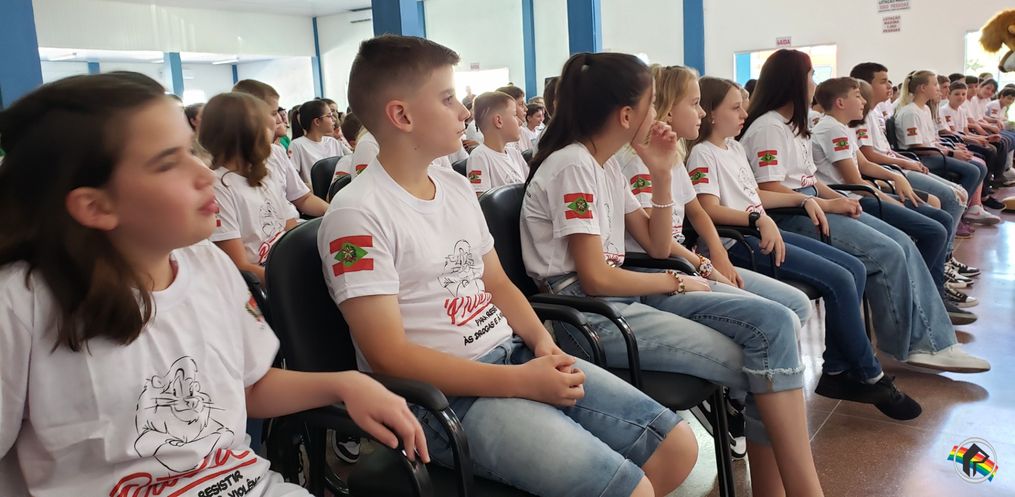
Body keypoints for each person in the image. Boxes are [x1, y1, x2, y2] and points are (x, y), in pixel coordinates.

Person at [0, 73, 428, 497]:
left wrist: (344, 384)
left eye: (192, 150)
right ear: (96, 206)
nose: (204, 173)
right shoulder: (20, 304)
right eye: (168, 162)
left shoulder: (207, 264)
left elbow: (251, 387)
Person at [324, 35, 698, 497]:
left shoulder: (453, 186)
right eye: (448, 99)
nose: (464, 112)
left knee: (677, 447)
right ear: (401, 116)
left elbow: (497, 284)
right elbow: (389, 356)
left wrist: (543, 345)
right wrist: (518, 382)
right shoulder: (356, 215)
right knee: (632, 489)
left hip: (511, 354)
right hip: (439, 401)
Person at [521, 52, 824, 496]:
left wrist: (662, 174)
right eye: (651, 105)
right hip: (588, 316)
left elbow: (658, 246)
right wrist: (674, 280)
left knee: (775, 327)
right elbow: (595, 279)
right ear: (626, 116)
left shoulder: (603, 164)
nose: (658, 115)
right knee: (767, 355)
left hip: (620, 296)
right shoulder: (573, 166)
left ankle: (790, 489)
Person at [688, 75, 921, 420]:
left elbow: (755, 194)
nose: (744, 115)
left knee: (854, 268)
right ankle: (868, 374)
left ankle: (838, 368)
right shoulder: (702, 154)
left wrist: (803, 200)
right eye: (735, 108)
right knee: (839, 279)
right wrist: (757, 219)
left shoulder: (732, 147)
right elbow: (708, 209)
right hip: (737, 242)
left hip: (759, 232)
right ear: (710, 114)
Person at [740, 50, 989, 372]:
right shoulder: (768, 128)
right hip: (793, 215)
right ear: (792, 82)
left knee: (902, 242)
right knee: (887, 252)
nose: (814, 83)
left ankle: (934, 339)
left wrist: (839, 199)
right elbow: (771, 188)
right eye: (810, 75)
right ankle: (921, 343)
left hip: (813, 204)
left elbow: (809, 179)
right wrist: (829, 203)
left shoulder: (792, 126)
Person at [465, 92, 529, 195]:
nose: (520, 122)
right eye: (514, 115)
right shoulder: (479, 157)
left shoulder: (515, 154)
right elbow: (481, 199)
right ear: (499, 121)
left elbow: (530, 188)